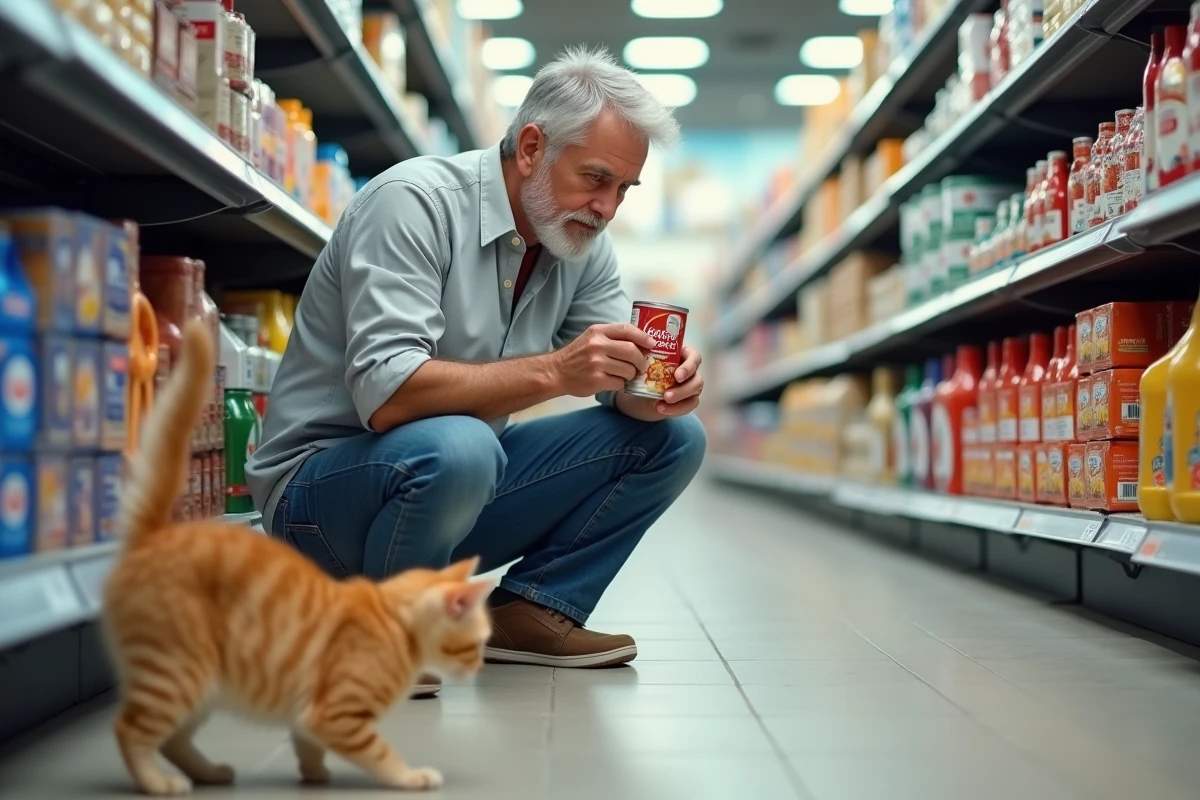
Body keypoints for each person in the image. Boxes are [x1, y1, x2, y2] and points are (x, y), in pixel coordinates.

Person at [245, 46, 707, 697]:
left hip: (446, 485)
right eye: (595, 178)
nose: (607, 207)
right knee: (463, 444)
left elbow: (616, 393)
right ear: (530, 148)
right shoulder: (414, 203)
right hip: (320, 500)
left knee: (676, 439)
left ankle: (532, 613)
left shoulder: (578, 243)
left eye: (624, 190)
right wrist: (556, 371)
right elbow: (389, 397)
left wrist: (658, 389)